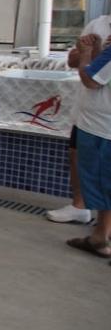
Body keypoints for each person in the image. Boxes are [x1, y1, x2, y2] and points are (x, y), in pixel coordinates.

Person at [46, 14, 111, 224]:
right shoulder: (98, 24)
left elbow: (92, 80)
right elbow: (73, 60)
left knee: (104, 173)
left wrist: (89, 56)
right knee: (79, 155)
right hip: (88, 112)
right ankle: (80, 207)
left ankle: (102, 233)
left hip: (104, 117)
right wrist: (90, 52)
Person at [65, 32, 111, 262]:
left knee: (104, 185)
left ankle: (101, 238)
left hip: (102, 129)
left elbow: (90, 79)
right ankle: (100, 236)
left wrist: (85, 55)